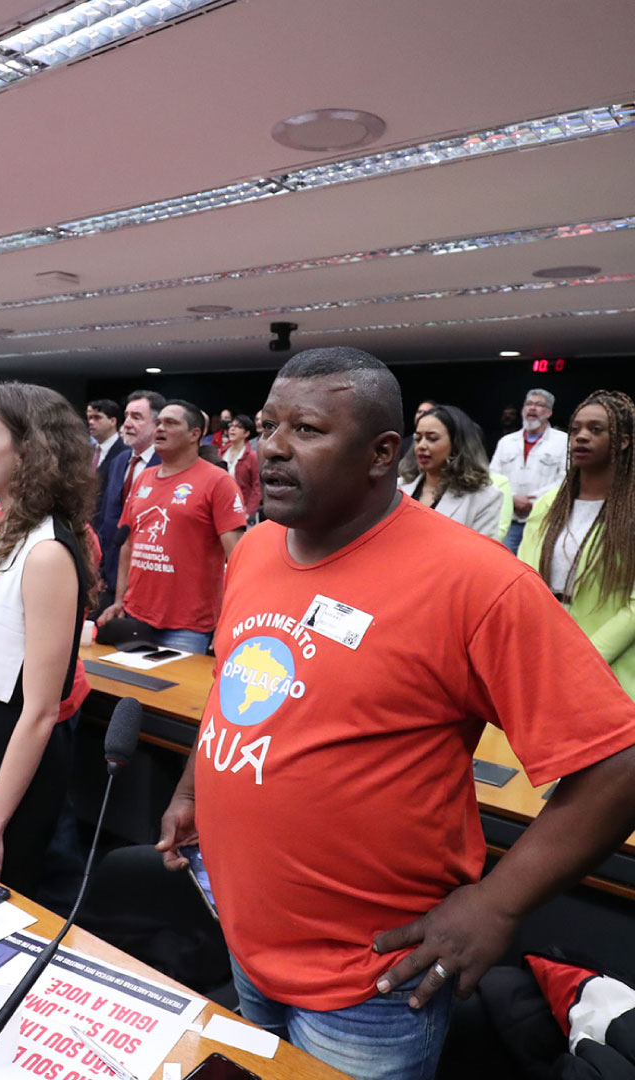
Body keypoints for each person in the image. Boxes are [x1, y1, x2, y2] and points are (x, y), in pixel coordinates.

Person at [155, 347, 635, 1080]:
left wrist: (499, 905)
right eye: (268, 424)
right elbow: (237, 683)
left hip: (369, 986)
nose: (274, 448)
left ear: (383, 453)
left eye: (308, 430)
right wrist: (194, 789)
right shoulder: (254, 550)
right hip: (246, 941)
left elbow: (616, 763)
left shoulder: (476, 582)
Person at [0, 382, 97, 894]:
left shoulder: (47, 552)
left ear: (30, 452)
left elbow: (40, 711)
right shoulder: (8, 530)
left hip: (15, 772)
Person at [99, 400, 247, 653]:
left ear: (194, 434)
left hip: (188, 627)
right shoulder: (144, 477)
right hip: (135, 616)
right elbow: (127, 543)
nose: (160, 429)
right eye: (158, 423)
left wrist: (232, 620)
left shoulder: (218, 482)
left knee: (175, 693)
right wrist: (119, 600)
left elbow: (239, 560)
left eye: (171, 423)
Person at [519, 390, 635, 699]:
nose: (581, 437)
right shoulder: (548, 505)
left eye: (595, 430)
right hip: (542, 657)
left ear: (623, 441)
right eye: (575, 430)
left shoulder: (630, 511)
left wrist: (586, 660)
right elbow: (522, 582)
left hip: (609, 667)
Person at [96, 390, 165, 603]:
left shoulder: (166, 465)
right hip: (111, 575)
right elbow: (107, 517)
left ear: (157, 424)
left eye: (136, 417)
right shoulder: (119, 461)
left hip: (149, 578)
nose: (126, 424)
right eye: (126, 416)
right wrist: (100, 568)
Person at [397, 404, 505, 539]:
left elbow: (482, 556)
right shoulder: (397, 488)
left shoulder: (486, 497)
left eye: (432, 438)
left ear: (457, 443)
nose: (421, 446)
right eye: (418, 439)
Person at [490, 388, 568, 554]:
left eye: (539, 405)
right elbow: (493, 478)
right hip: (509, 520)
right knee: (505, 566)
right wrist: (513, 498)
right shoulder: (506, 442)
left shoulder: (563, 441)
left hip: (544, 521)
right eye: (529, 404)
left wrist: (534, 502)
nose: (532, 408)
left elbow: (565, 480)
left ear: (549, 412)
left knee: (537, 569)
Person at [88, 398, 128, 532]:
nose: (91, 422)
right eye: (89, 418)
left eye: (97, 417)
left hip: (109, 526)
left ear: (113, 421)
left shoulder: (125, 453)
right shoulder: (87, 451)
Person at [221, 413, 261, 519]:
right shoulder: (221, 452)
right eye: (231, 426)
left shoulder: (252, 457)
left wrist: (249, 511)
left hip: (242, 508)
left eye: (238, 427)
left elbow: (257, 487)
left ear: (246, 433)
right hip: (220, 506)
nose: (232, 429)